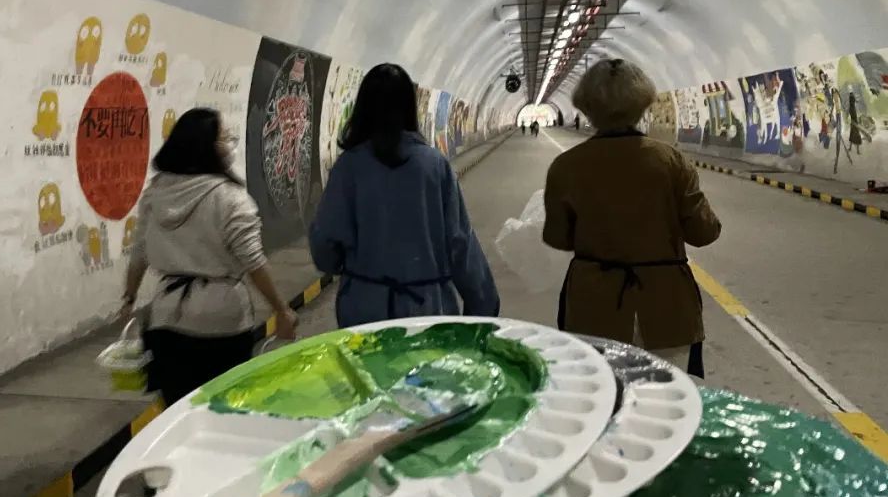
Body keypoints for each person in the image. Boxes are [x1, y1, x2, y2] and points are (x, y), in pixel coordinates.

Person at [542, 59, 721, 378]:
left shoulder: (566, 166)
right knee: (664, 398)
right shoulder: (671, 161)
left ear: (586, 107)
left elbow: (558, 237)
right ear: (642, 104)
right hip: (665, 307)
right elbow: (704, 232)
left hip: (593, 307)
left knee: (603, 396)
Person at [118, 108, 297, 405]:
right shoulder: (230, 198)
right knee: (223, 405)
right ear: (208, 147)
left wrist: (129, 298)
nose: (229, 143)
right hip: (222, 318)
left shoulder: (155, 193)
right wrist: (281, 310)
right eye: (224, 137)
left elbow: (139, 253)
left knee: (178, 408)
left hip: (166, 317)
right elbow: (253, 262)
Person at [309, 63, 500, 327]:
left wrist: (343, 264)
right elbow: (461, 244)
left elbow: (325, 245)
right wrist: (482, 306)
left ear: (362, 108)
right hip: (427, 310)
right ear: (410, 107)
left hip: (364, 311)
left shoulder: (348, 168)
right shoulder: (435, 166)